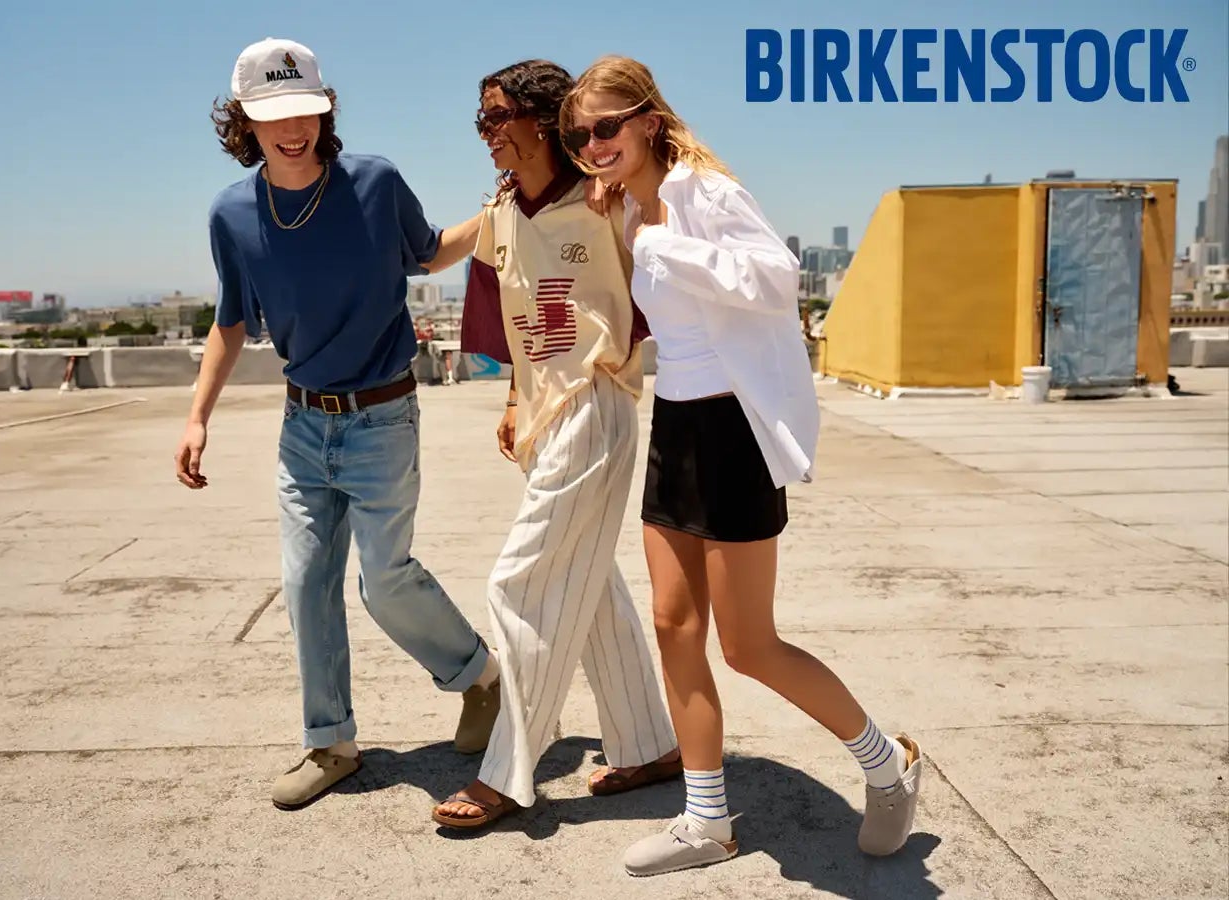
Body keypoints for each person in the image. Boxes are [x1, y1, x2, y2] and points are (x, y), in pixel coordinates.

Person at [562, 56, 920, 875]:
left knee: (749, 644)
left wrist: (660, 242)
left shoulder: (703, 193)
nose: (593, 146)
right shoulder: (629, 205)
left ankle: (887, 763)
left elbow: (774, 279)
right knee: (672, 625)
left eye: (606, 127)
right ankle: (708, 822)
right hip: (676, 422)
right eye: (580, 137)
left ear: (649, 120)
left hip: (733, 430)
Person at [176, 37, 500, 812]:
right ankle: (331, 742)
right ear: (245, 123)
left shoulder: (375, 183)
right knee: (305, 585)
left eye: (306, 111)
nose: (294, 129)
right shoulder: (232, 214)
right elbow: (230, 323)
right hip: (301, 426)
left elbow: (430, 253)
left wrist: (498, 214)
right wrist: (197, 418)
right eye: (274, 116)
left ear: (325, 111)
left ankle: (480, 678)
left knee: (383, 580)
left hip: (383, 417)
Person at [419, 59, 683, 831]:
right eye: (481, 120)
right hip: (541, 418)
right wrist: (512, 398)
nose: (487, 134)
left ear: (543, 120)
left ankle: (508, 772)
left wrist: (621, 182)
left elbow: (668, 218)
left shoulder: (605, 200)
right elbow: (452, 270)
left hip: (595, 406)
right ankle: (650, 745)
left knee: (522, 584)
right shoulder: (502, 212)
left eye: (498, 117)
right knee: (587, 587)